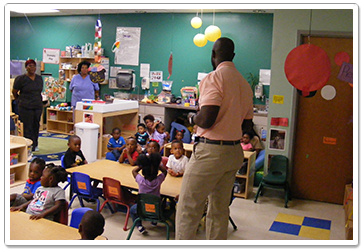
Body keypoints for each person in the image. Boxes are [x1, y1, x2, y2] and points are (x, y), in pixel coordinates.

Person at [176, 37, 254, 240]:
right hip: (233, 152)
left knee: (188, 208)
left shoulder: (213, 78)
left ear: (213, 54)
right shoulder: (245, 85)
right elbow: (247, 126)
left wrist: (193, 117)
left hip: (210, 152)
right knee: (219, 210)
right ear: (233, 56)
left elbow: (207, 119)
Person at [130, 153, 167, 234]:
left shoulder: (141, 181)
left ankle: (139, 225)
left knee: (132, 209)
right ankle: (154, 221)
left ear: (143, 173)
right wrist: (156, 165)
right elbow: (165, 171)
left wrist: (142, 165)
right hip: (156, 210)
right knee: (165, 203)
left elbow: (134, 171)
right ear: (156, 173)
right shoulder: (158, 181)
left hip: (142, 209)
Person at [12, 59, 43, 151]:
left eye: (34, 66)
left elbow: (39, 91)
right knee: (27, 126)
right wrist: (19, 100)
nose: (32, 68)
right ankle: (27, 145)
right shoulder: (20, 79)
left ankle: (35, 144)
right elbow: (14, 92)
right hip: (25, 106)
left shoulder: (39, 78)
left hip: (37, 105)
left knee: (36, 125)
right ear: (26, 68)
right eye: (30, 66)